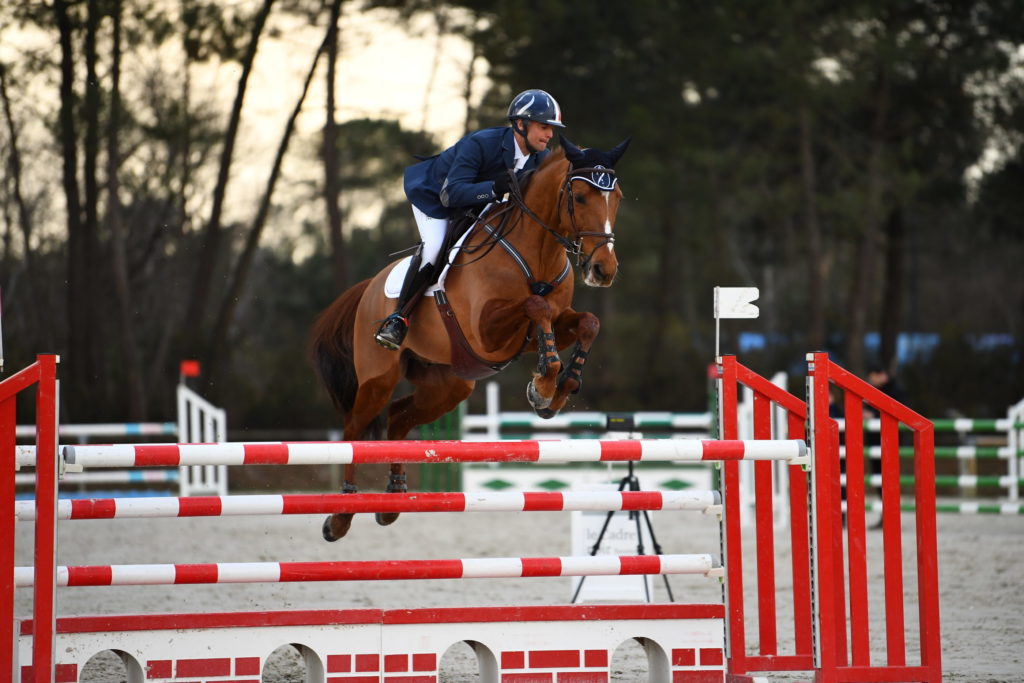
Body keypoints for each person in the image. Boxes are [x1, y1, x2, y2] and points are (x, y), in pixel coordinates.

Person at [373, 89, 567, 350]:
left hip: (479, 203)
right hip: (435, 199)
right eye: (544, 126)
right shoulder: (480, 143)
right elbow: (451, 194)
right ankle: (398, 319)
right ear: (521, 124)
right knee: (434, 248)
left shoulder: (540, 157)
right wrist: (494, 188)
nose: (549, 135)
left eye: (552, 128)